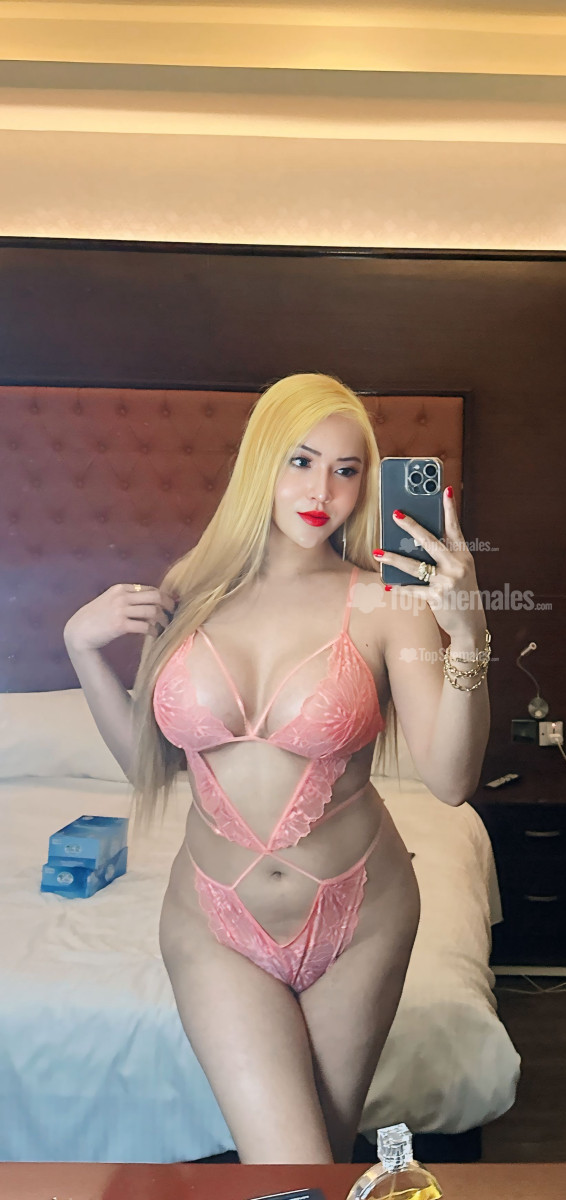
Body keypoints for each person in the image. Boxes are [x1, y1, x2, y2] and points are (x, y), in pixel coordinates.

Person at [63, 373, 491, 1164]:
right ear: (261, 461)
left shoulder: (387, 603)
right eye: (301, 461)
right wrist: (82, 650)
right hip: (213, 922)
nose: (321, 491)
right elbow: (150, 769)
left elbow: (451, 781)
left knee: (312, 1167)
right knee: (293, 1169)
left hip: (361, 919)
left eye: (346, 469)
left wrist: (467, 637)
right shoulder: (188, 592)